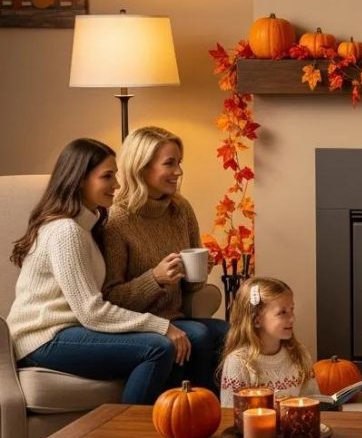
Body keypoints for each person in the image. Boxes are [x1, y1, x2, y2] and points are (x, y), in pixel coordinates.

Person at [7, 138, 192, 404]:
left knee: (168, 345)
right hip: (42, 338)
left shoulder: (84, 228)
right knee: (157, 348)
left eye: (115, 175)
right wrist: (162, 327)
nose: (117, 184)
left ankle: (172, 425)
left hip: (71, 331)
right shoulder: (66, 231)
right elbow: (92, 311)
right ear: (80, 180)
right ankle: (125, 435)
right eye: (107, 176)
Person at [102, 126, 228, 394]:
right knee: (200, 335)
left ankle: (216, 412)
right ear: (141, 167)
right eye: (169, 163)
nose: (179, 172)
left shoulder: (180, 208)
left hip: (175, 317)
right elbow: (110, 298)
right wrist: (155, 279)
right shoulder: (117, 221)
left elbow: (190, 289)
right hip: (136, 324)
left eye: (179, 163)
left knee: (229, 333)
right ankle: (187, 411)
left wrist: (200, 273)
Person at [219, 276, 318, 407]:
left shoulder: (300, 355)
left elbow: (313, 400)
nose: (292, 318)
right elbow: (230, 414)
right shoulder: (238, 363)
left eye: (291, 309)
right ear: (257, 320)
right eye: (282, 312)